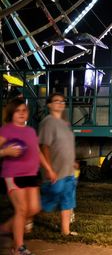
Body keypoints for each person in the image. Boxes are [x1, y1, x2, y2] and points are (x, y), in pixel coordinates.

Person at [0, 98, 57, 255]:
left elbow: (37, 152)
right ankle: (18, 247)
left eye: (24, 110)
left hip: (31, 174)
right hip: (13, 174)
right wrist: (5, 152)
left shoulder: (30, 131)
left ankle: (5, 228)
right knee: (22, 209)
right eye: (18, 110)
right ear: (11, 113)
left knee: (34, 208)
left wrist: (49, 169)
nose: (22, 113)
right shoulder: (6, 130)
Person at [38, 93, 79, 236]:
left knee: (68, 199)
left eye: (62, 101)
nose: (60, 103)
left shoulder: (65, 123)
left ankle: (65, 231)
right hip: (55, 171)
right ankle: (25, 215)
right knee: (49, 199)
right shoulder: (48, 122)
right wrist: (49, 169)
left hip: (67, 170)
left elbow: (66, 146)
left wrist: (72, 162)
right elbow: (45, 146)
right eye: (56, 101)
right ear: (49, 105)